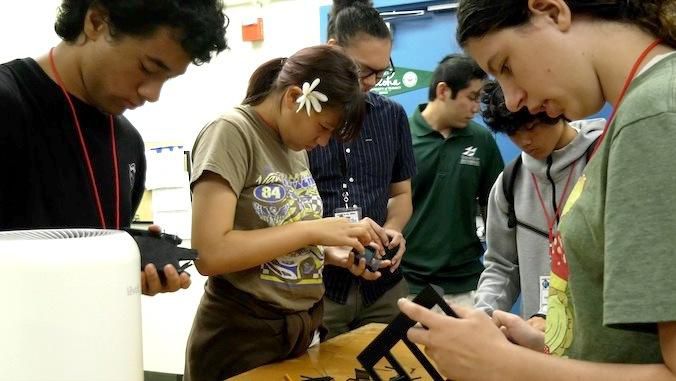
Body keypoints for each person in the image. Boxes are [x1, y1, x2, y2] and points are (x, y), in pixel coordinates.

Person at [398, 0, 676, 379]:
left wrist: (504, 365)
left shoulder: (655, 114)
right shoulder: (640, 110)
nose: (512, 100)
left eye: (506, 66)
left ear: (550, 10)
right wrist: (546, 348)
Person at [184, 45, 388, 380]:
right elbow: (209, 254)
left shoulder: (294, 146)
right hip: (243, 336)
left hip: (297, 331)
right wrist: (313, 231)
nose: (323, 142)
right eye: (323, 127)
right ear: (294, 97)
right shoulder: (232, 132)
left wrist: (328, 252)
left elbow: (274, 235)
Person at [0, 0, 228, 295]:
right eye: (147, 68)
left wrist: (127, 265)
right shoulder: (9, 106)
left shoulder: (128, 142)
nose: (152, 93)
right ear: (96, 22)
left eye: (166, 79)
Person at [307, 0, 416, 339]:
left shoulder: (392, 115)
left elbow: (400, 193)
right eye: (362, 70)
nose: (371, 81)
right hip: (320, 285)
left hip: (382, 284)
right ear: (333, 51)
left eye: (382, 72)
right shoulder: (300, 118)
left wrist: (394, 229)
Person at [474, 80, 604, 331]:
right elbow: (502, 265)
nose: (524, 140)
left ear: (554, 111)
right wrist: (484, 315)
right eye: (513, 132)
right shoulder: (509, 183)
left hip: (598, 337)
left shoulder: (601, 163)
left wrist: (551, 313)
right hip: (539, 338)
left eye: (531, 126)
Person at [401, 54, 504, 306]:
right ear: (444, 91)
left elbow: (497, 209)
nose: (476, 108)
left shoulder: (482, 140)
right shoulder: (401, 137)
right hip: (407, 283)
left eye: (479, 99)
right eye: (472, 97)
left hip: (465, 283)